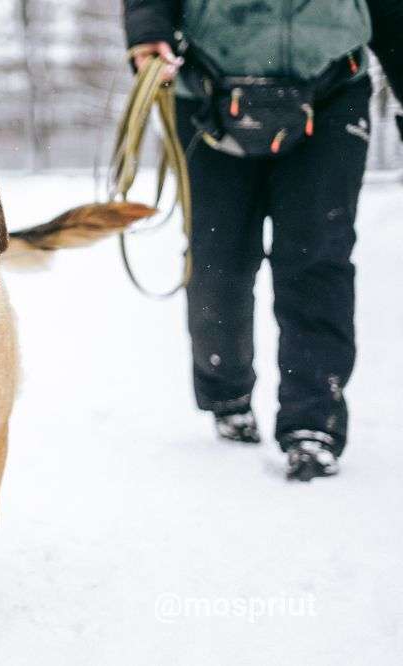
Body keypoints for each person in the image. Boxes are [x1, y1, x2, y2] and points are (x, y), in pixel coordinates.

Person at [122, 1, 403, 480]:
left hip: (332, 87)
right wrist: (148, 31)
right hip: (211, 90)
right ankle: (226, 392)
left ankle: (313, 420)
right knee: (219, 261)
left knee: (318, 260)